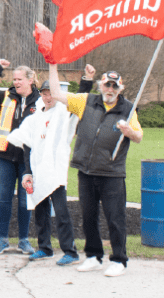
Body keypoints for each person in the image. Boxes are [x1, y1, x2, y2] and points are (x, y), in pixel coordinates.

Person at [49, 64, 143, 278]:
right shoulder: (87, 101)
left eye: (114, 86)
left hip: (112, 173)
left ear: (120, 88)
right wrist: (52, 63)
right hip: (86, 170)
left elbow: (139, 137)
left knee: (115, 218)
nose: (110, 89)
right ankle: (93, 256)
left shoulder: (128, 109)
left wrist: (129, 132)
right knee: (88, 216)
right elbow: (56, 94)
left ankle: (119, 260)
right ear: (100, 85)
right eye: (106, 85)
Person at [8, 65, 95, 267]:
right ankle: (44, 248)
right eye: (45, 94)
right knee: (41, 211)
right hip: (38, 171)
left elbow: (81, 98)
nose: (48, 98)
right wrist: (28, 172)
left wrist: (87, 79)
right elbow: (27, 145)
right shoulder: (35, 117)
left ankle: (70, 251)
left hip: (55, 170)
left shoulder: (64, 113)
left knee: (61, 211)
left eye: (51, 94)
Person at [0, 58, 40, 255]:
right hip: (6, 156)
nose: (16, 82)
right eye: (14, 79)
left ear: (30, 80)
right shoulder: (6, 96)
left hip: (28, 161)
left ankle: (24, 240)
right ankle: (2, 239)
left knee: (25, 201)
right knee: (4, 199)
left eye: (20, 79)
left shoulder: (40, 101)